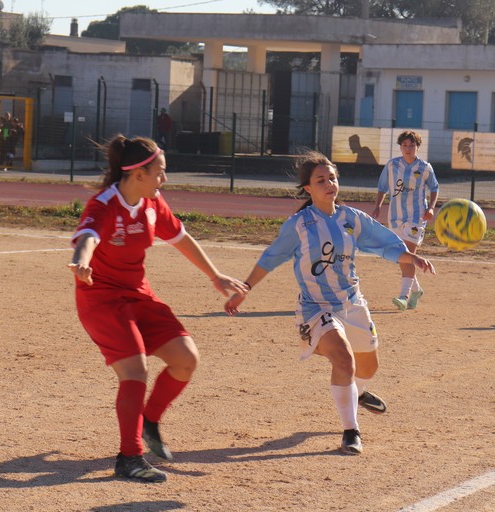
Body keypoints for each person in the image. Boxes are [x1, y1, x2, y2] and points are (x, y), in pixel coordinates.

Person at [224, 151, 435, 455]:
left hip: (352, 302)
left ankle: (356, 393)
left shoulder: (351, 218)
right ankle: (351, 431)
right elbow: (271, 258)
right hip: (316, 308)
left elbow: (385, 243)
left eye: (332, 178)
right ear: (308, 189)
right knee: (343, 359)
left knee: (369, 366)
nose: (329, 183)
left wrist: (411, 256)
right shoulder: (299, 224)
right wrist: (245, 287)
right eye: (321, 180)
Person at [68, 135, 247, 482]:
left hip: (138, 293)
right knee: (135, 370)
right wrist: (81, 263)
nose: (164, 180)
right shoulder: (105, 204)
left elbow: (181, 237)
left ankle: (149, 419)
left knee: (186, 359)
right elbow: (87, 237)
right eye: (160, 173)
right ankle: (129, 457)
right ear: (138, 174)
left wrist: (215, 276)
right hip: (101, 298)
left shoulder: (152, 203)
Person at [372, 130, 439, 311]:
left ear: (417, 147)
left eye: (412, 145)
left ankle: (404, 296)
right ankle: (416, 290)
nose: (408, 149)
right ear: (400, 147)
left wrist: (431, 207)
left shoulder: (425, 168)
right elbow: (382, 187)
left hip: (416, 217)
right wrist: (378, 205)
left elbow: (434, 188)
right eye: (405, 145)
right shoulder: (392, 165)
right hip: (395, 217)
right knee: (402, 257)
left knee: (408, 253)